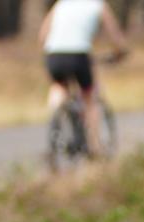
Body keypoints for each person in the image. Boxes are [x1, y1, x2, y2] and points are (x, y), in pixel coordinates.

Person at [39, 0, 132, 158]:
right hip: (78, 54)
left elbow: (42, 34)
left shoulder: (62, 4)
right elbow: (114, 32)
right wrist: (121, 50)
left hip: (53, 54)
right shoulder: (98, 5)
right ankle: (95, 148)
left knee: (59, 86)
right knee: (90, 98)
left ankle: (55, 122)